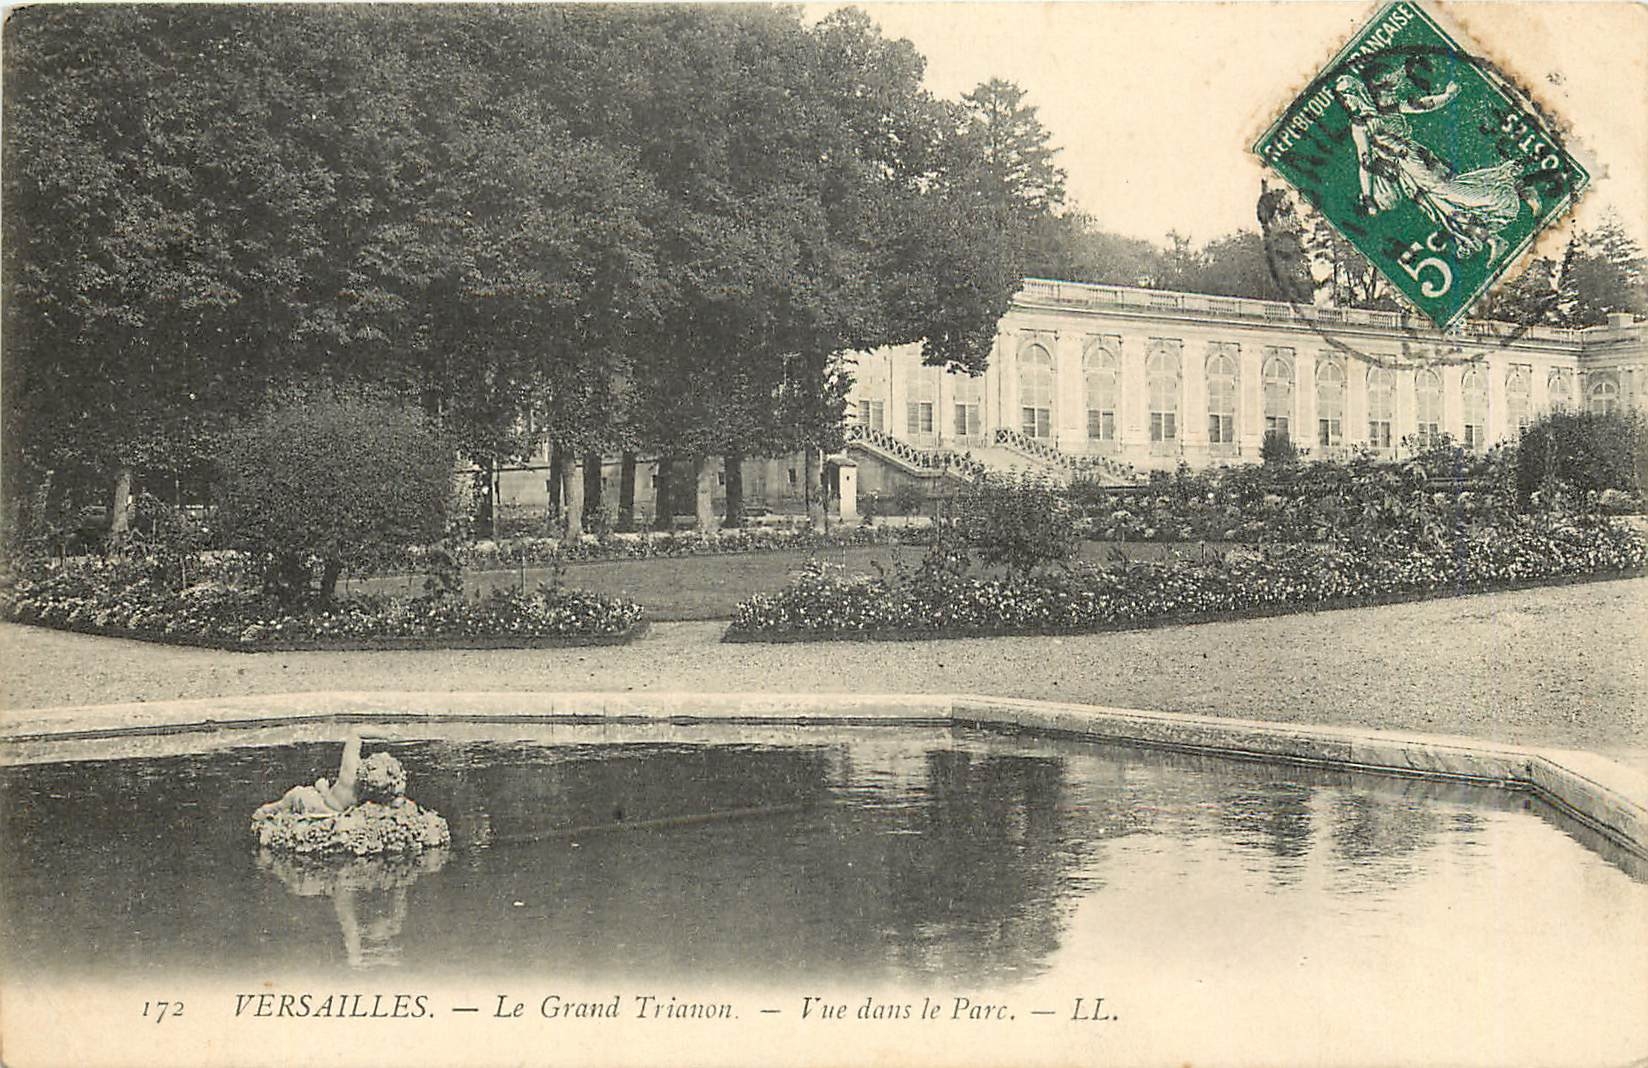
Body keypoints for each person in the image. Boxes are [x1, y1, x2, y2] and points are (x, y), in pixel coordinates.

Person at [1333, 70, 1522, 260]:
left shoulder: (1382, 108)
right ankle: (1493, 240)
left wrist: (1446, 96)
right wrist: (1368, 197)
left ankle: (1499, 197)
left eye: (1348, 95)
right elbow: (1365, 162)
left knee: (1451, 193)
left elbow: (1419, 106)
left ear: (1358, 92)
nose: (1346, 102)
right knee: (1443, 209)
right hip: (1406, 174)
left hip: (1414, 161)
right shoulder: (1359, 125)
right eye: (1342, 99)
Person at [255, 731, 363, 818]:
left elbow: (356, 733)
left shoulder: (349, 781)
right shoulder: (352, 785)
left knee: (296, 794)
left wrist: (322, 788)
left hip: (320, 806)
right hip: (322, 805)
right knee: (299, 795)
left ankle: (269, 810)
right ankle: (270, 810)